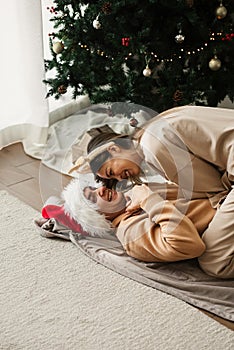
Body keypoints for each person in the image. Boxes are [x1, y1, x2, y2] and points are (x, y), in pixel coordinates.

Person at [69, 105, 234, 278]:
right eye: (93, 198)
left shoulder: (154, 149)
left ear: (113, 149)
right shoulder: (150, 132)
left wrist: (146, 197)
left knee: (215, 264)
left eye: (111, 172)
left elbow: (218, 191)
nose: (118, 180)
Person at [42, 178, 216, 265]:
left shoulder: (136, 193)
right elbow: (188, 246)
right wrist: (148, 199)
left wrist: (143, 192)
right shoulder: (130, 231)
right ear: (96, 217)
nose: (101, 189)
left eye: (94, 188)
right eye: (92, 199)